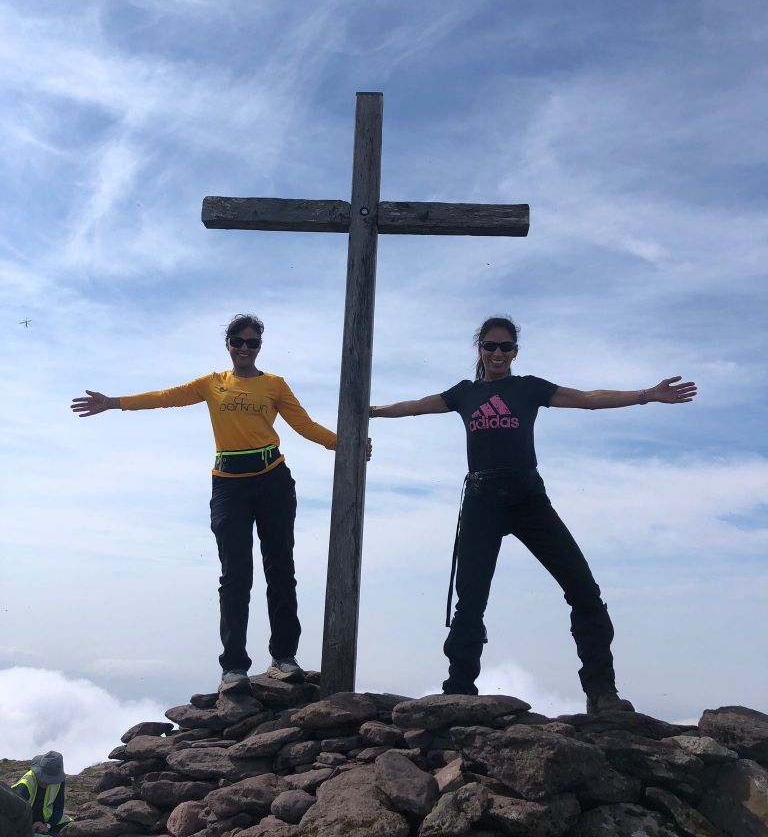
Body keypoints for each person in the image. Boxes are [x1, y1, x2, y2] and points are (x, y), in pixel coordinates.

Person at [369, 315, 697, 713]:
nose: (498, 353)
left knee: (584, 591)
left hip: (528, 498)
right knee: (469, 601)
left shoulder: (528, 388)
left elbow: (589, 399)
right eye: (490, 346)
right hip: (481, 500)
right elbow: (417, 407)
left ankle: (602, 693)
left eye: (506, 347)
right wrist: (368, 411)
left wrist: (648, 394)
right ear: (480, 350)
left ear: (515, 352)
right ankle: (458, 689)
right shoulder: (464, 394)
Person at [71, 313, 361, 690]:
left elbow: (303, 425)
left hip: (272, 479)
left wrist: (346, 443)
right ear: (228, 344)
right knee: (235, 575)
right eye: (238, 341)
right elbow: (165, 398)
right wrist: (113, 402)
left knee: (280, 569)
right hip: (228, 485)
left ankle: (284, 657)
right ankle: (234, 667)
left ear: (259, 347)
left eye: (252, 342)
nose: (244, 348)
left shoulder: (275, 385)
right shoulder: (212, 383)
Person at [12, 751, 73, 832]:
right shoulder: (25, 785)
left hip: (48, 823)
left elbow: (58, 809)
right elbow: (15, 815)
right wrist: (30, 826)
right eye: (44, 778)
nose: (47, 782)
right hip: (26, 823)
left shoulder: (59, 782)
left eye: (51, 780)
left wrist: (47, 825)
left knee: (72, 829)